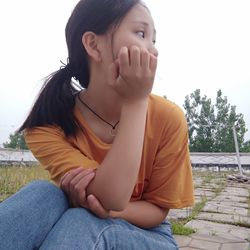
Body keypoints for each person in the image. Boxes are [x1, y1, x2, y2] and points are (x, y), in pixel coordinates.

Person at [0, 0, 194, 249]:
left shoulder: (169, 119)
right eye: (141, 34)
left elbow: (153, 210)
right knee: (43, 194)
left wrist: (135, 101)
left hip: (150, 235)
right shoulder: (48, 125)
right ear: (93, 44)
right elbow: (109, 194)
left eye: (154, 41)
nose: (153, 51)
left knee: (80, 219)